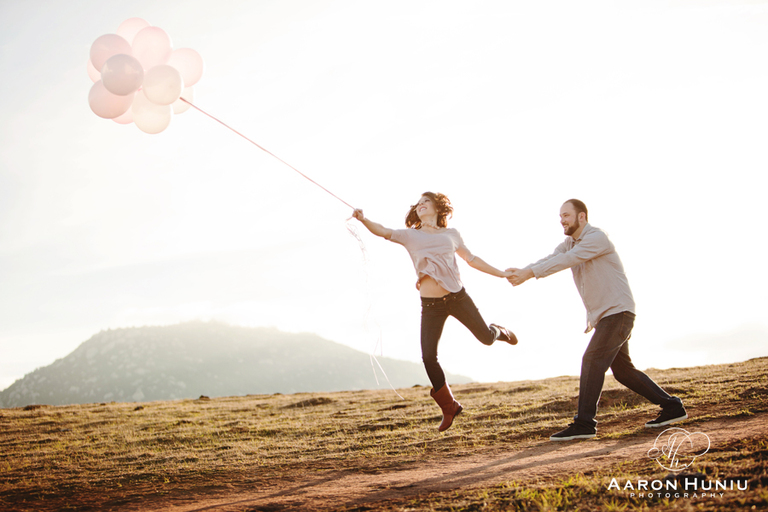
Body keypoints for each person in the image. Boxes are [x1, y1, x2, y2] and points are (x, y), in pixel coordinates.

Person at [506, 199, 687, 441]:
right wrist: (523, 271)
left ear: (582, 217)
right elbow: (550, 258)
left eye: (566, 215)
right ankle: (672, 407)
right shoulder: (569, 243)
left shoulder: (596, 238)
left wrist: (529, 274)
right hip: (607, 316)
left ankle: (584, 424)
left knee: (592, 360)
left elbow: (567, 260)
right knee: (622, 371)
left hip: (618, 312)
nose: (562, 220)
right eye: (560, 216)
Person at [352, 192, 518, 432]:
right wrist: (364, 220)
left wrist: (502, 273)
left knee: (485, 338)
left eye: (425, 201)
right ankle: (449, 406)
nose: (421, 205)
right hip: (431, 306)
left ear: (438, 208)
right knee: (428, 357)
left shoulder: (452, 235)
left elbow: (472, 259)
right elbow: (383, 230)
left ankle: (498, 331)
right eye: (418, 203)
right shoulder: (410, 236)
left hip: (458, 298)